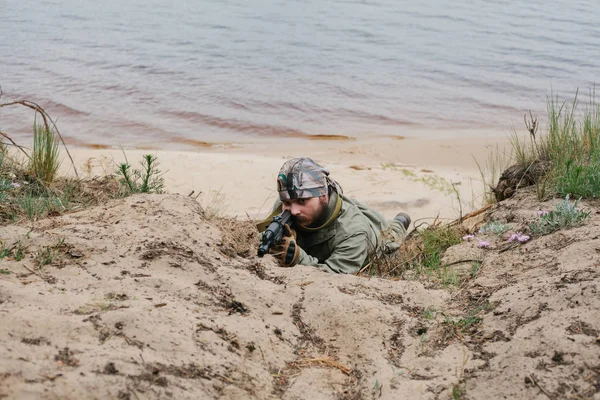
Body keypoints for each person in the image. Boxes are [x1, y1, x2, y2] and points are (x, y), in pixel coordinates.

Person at [256, 157, 410, 274]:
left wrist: (298, 258)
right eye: (287, 202)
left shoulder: (353, 232)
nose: (294, 210)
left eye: (302, 200)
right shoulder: (286, 207)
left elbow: (338, 275)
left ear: (323, 196)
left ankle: (400, 221)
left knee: (392, 232)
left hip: (379, 235)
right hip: (335, 209)